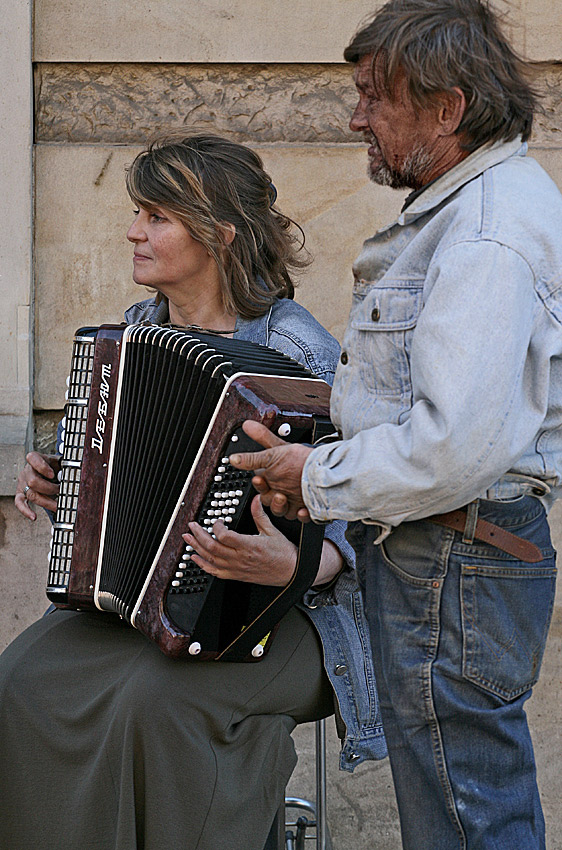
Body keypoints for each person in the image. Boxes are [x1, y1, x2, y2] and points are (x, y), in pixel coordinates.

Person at [228, 2, 562, 848]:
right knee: (462, 810)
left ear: (447, 108)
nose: (357, 117)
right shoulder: (472, 208)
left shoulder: (487, 234)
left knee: (466, 820)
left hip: (456, 556)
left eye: (376, 96)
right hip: (448, 553)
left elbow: (454, 444)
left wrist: (315, 477)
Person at [2, 134, 386, 850]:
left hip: (291, 615)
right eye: (138, 213)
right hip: (144, 607)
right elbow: (105, 473)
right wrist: (58, 478)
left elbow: (372, 514)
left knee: (156, 704)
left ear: (219, 233)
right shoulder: (134, 336)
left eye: (155, 216)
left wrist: (305, 565)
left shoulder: (300, 355)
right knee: (20, 682)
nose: (132, 231)